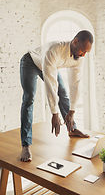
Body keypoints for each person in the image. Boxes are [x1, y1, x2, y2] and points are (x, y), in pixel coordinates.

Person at [20, 30, 93, 162]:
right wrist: (54, 114)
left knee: (63, 92)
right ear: (75, 42)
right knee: (29, 98)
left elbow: (75, 85)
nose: (83, 54)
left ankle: (72, 129)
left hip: (49, 65)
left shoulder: (79, 57)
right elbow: (50, 84)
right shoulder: (55, 50)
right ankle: (26, 144)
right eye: (83, 50)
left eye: (86, 52)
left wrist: (71, 111)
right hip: (31, 61)